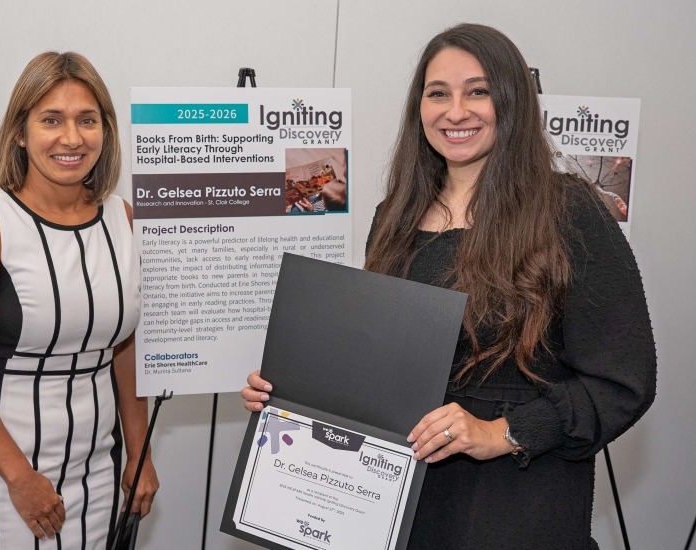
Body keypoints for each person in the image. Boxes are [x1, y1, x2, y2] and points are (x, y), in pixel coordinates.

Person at [241, 23, 656, 550]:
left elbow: (623, 383)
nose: (455, 111)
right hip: (397, 505)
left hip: (515, 506)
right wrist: (291, 392)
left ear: (512, 103)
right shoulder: (394, 217)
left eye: (477, 92)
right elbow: (377, 363)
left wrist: (501, 431)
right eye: (438, 93)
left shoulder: (568, 210)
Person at [0, 51, 158, 549]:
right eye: (51, 119)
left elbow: (126, 348)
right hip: (3, 475)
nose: (71, 138)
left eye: (87, 120)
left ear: (106, 130)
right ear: (20, 131)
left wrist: (138, 453)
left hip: (99, 467)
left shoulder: (125, 219)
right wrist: (20, 477)